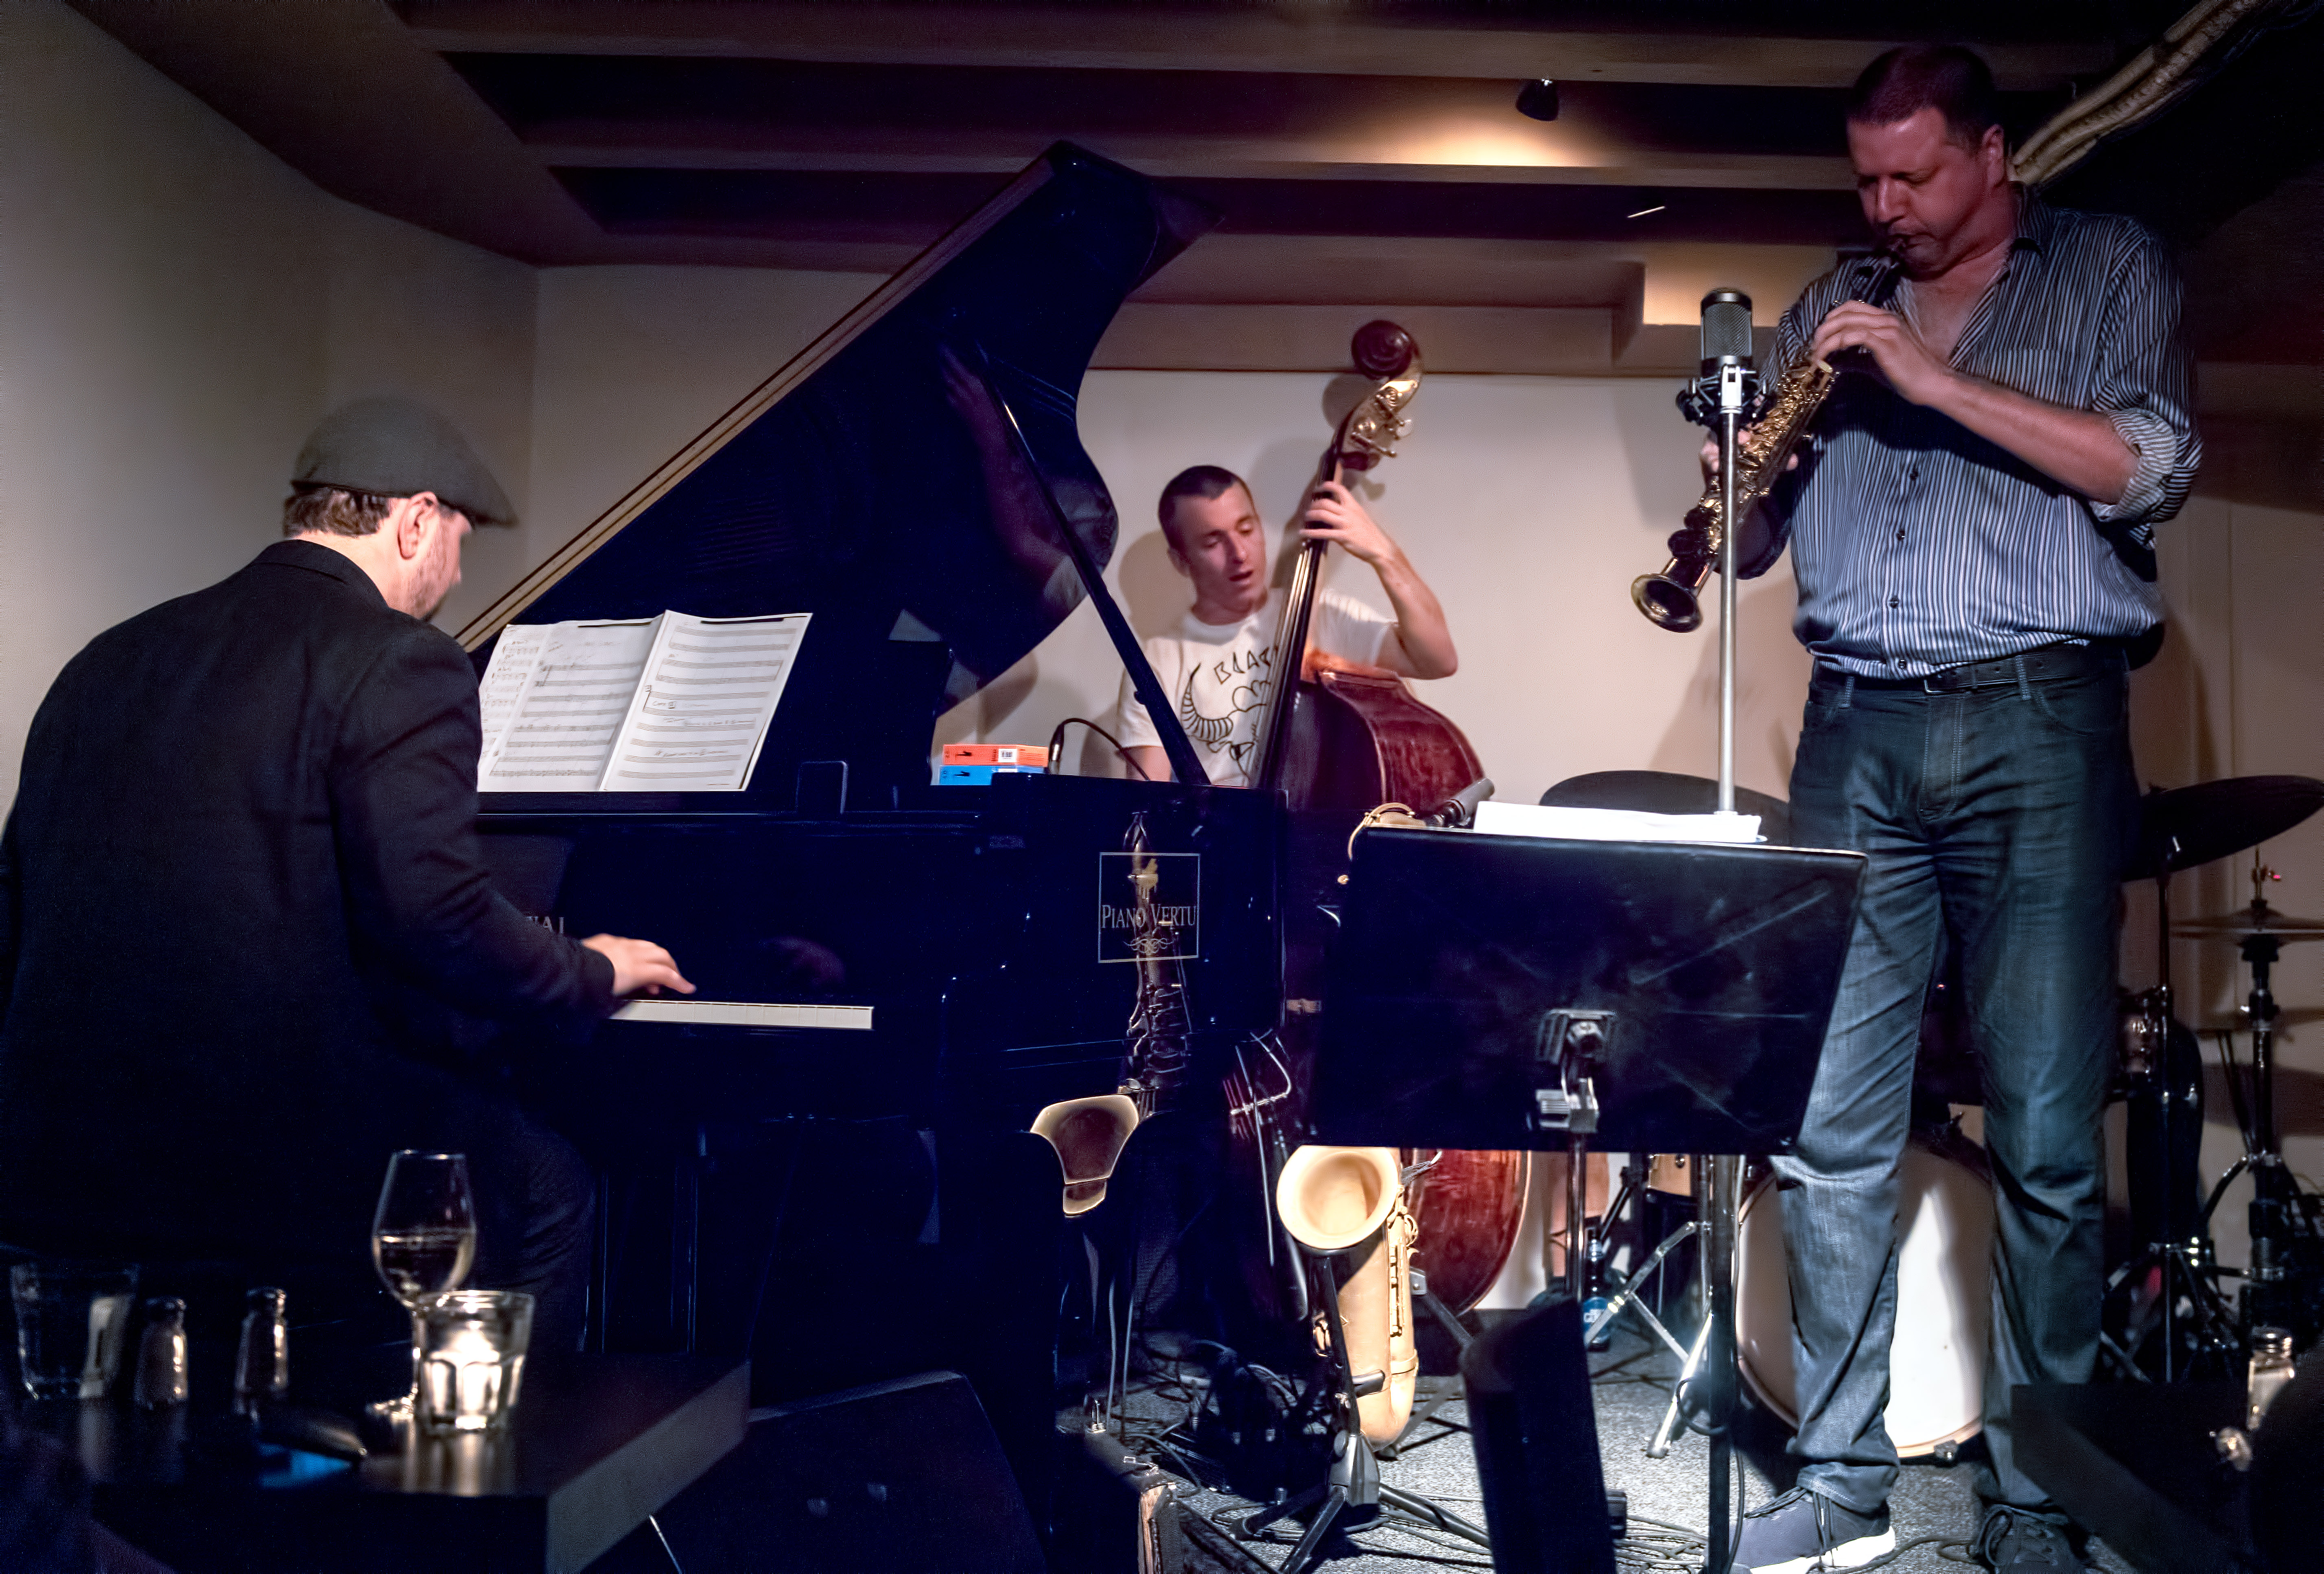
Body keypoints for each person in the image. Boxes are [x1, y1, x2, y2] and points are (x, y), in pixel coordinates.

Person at [1724, 48, 2197, 1574]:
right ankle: (1842, 1477)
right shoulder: (1828, 303)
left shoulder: (2108, 264)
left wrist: (1930, 381)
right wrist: (1735, 478)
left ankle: (2039, 1489)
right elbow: (1742, 551)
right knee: (1827, 1129)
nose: (1885, 207)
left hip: (2039, 719)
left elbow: (2144, 465)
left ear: (1993, 154)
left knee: (2052, 1131)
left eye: (1913, 176)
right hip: (1854, 724)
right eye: (1865, 178)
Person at [0, 397, 693, 1351]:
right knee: (549, 1184)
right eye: (458, 535)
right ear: (414, 519)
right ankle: (466, 1482)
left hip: (57, 1153)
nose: (456, 568)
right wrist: (589, 967)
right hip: (262, 1160)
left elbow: (21, 902)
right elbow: (436, 917)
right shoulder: (400, 660)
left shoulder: (109, 659)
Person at [1117, 466, 1456, 786]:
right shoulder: (1158, 661)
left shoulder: (1319, 615)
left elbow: (1437, 660)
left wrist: (1384, 554)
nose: (1239, 553)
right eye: (1212, 543)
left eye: (1247, 529)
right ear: (1181, 561)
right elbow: (1150, 798)